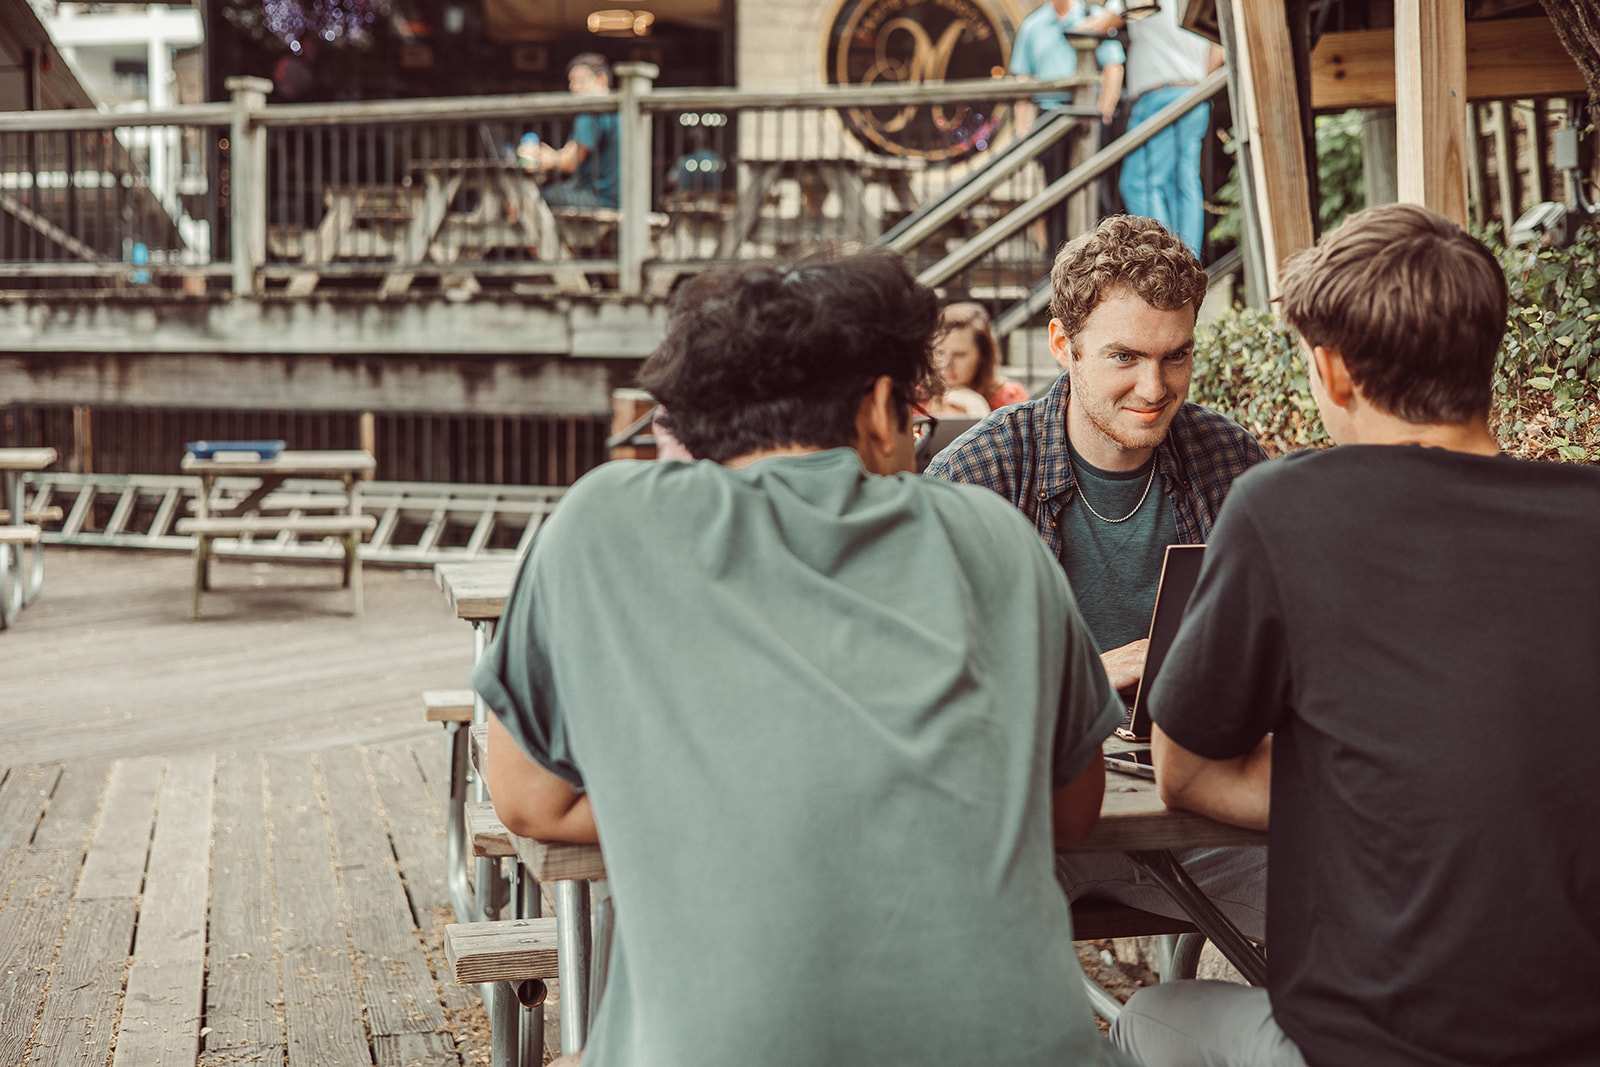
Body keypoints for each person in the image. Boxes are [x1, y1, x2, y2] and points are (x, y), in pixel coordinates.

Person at [476, 252, 1135, 1067]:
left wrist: (721, 798)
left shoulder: (602, 525)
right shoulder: (992, 535)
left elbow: (527, 798)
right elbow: (1070, 812)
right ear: (882, 408)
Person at [1113, 203, 1600, 1065]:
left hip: (1371, 1046)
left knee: (1149, 1016)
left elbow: (1182, 771)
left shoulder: (1286, 507)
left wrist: (1352, 783)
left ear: (1333, 374)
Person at [925, 214, 1269, 938]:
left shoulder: (1228, 459)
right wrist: (1096, 672)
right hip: (1032, 817)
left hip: (1190, 808)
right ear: (1063, 345)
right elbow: (933, 689)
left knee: (1335, 900)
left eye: (1177, 356)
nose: (1155, 386)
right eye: (1124, 356)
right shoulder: (975, 474)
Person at [1105, 1, 1224, 255]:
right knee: (1183, 182)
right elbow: (1220, 49)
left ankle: (1160, 259)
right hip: (1193, 92)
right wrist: (1195, 76)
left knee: (1139, 182)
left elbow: (1105, 21)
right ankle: (1186, 262)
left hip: (1157, 96)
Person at [1010, 0, 1125, 255]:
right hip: (1048, 117)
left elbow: (1113, 67)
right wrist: (1023, 135)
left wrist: (1103, 111)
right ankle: (1057, 262)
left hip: (1086, 116)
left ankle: (1097, 260)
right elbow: (1023, 83)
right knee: (1054, 197)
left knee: (1095, 195)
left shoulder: (1095, 17)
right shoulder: (1032, 26)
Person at [526, 54, 619, 209]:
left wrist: (545, 158)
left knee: (538, 197)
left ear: (601, 79)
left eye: (581, 81)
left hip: (600, 199)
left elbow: (570, 162)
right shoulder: (619, 110)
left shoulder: (591, 109)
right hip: (624, 197)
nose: (574, 87)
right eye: (572, 81)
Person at [936, 301, 1031, 411]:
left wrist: (978, 409)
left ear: (982, 355)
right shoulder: (919, 398)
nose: (947, 364)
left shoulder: (1010, 398)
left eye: (960, 355)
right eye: (940, 353)